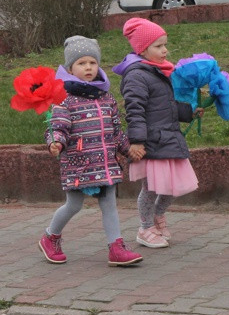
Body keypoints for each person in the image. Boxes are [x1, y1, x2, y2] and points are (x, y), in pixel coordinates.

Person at [39, 36, 143, 267]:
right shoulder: (64, 99)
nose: (88, 68)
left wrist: (128, 150)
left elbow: (116, 130)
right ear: (69, 68)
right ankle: (50, 237)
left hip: (105, 162)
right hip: (78, 163)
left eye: (92, 63)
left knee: (109, 204)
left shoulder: (106, 97)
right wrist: (56, 142)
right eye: (82, 63)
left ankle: (116, 248)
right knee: (73, 205)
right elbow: (57, 127)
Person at [112, 17, 203, 249]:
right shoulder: (137, 75)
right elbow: (134, 110)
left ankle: (157, 216)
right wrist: (137, 141)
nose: (165, 50)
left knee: (172, 186)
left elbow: (167, 105)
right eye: (158, 46)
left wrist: (190, 112)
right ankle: (144, 228)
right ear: (142, 49)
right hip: (151, 141)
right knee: (151, 188)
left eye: (165, 44)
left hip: (168, 137)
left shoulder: (159, 71)